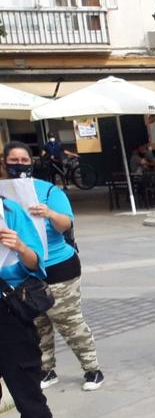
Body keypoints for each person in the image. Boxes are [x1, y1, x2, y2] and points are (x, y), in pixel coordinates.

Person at [3, 142, 104, 393]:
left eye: (24, 160)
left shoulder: (48, 191)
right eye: (13, 160)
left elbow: (65, 224)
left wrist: (49, 214)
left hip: (58, 266)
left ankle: (92, 368)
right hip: (22, 271)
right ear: (4, 163)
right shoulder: (3, 195)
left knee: (68, 321)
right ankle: (46, 368)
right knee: (37, 322)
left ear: (32, 162)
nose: (19, 165)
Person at [0, 157, 61, 418]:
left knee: (26, 391)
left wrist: (19, 245)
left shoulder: (11, 211)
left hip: (10, 309)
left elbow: (36, 263)